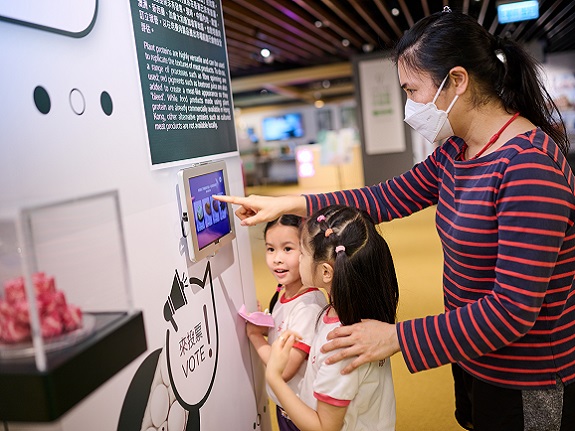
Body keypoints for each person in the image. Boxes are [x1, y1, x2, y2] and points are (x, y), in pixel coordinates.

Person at [216, 8, 575, 430]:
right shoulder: (457, 152)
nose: (409, 105)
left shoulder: (528, 167)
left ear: (456, 81)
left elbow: (512, 309)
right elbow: (383, 198)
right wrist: (290, 204)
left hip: (526, 375)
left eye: (412, 89)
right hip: (473, 353)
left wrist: (397, 337)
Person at [266, 205, 399, 431]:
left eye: (303, 252)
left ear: (327, 272)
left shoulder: (341, 344)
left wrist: (274, 378)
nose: (298, 259)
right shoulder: (350, 312)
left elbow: (324, 428)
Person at [246, 214, 327, 431]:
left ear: (308, 252)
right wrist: (264, 325)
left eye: (288, 249)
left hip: (301, 413)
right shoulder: (284, 293)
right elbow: (283, 332)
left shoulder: (308, 306)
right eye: (271, 249)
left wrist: (254, 336)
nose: (277, 258)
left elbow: (284, 369)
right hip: (286, 406)